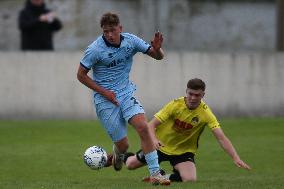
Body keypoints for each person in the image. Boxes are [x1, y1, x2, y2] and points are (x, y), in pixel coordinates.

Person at [77, 12, 170, 185]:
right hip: (104, 100)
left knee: (143, 127)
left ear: (121, 28)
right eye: (106, 31)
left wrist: (158, 50)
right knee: (124, 145)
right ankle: (117, 157)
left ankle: (155, 173)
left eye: (112, 30)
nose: (109, 35)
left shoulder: (131, 41)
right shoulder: (95, 49)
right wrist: (104, 92)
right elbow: (81, 75)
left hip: (126, 93)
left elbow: (158, 57)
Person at [123, 78, 251, 182]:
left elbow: (221, 137)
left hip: (183, 152)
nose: (193, 98)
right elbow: (150, 125)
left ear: (203, 95)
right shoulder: (175, 105)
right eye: (191, 94)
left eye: (197, 95)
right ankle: (121, 155)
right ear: (186, 92)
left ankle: (162, 176)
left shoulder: (206, 113)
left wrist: (235, 157)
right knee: (130, 164)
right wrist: (154, 139)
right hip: (159, 146)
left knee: (190, 180)